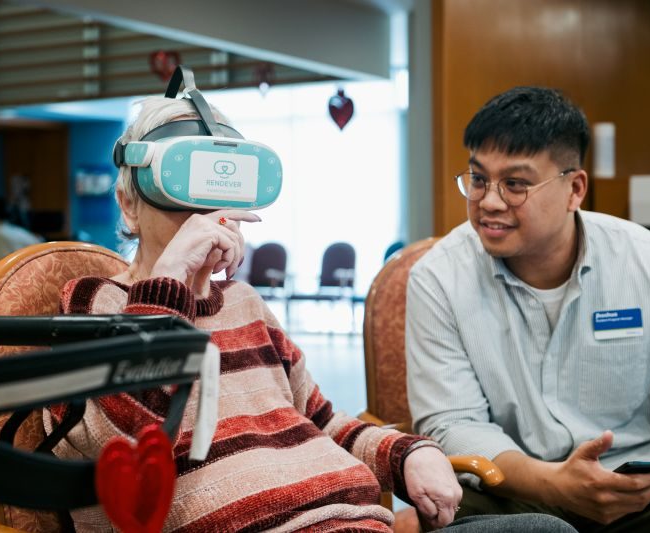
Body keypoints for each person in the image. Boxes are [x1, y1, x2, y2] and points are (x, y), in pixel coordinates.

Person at [43, 91, 574, 533]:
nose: (205, 217)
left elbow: (321, 421)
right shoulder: (96, 306)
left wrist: (407, 453)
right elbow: (118, 441)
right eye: (180, 194)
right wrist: (170, 280)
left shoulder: (246, 305)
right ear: (129, 206)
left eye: (218, 191)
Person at [405, 86, 650, 531]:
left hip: (643, 485)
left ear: (574, 189)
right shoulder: (439, 278)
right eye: (479, 178)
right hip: (515, 490)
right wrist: (554, 484)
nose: (488, 201)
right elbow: (453, 423)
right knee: (433, 520)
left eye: (515, 184)